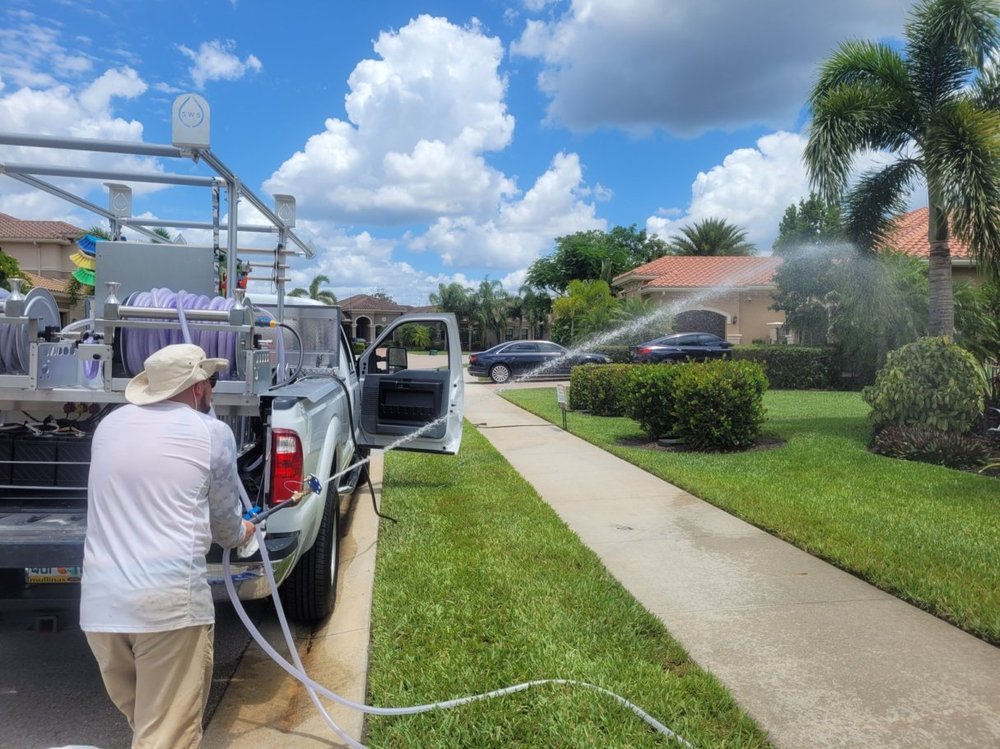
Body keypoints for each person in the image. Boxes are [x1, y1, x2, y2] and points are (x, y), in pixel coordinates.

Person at [80, 343, 254, 749]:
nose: (213, 388)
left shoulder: (108, 426)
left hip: (101, 610)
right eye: (210, 380)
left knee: (146, 728)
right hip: (167, 610)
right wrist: (245, 532)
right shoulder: (213, 433)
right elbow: (225, 524)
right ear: (197, 388)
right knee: (166, 738)